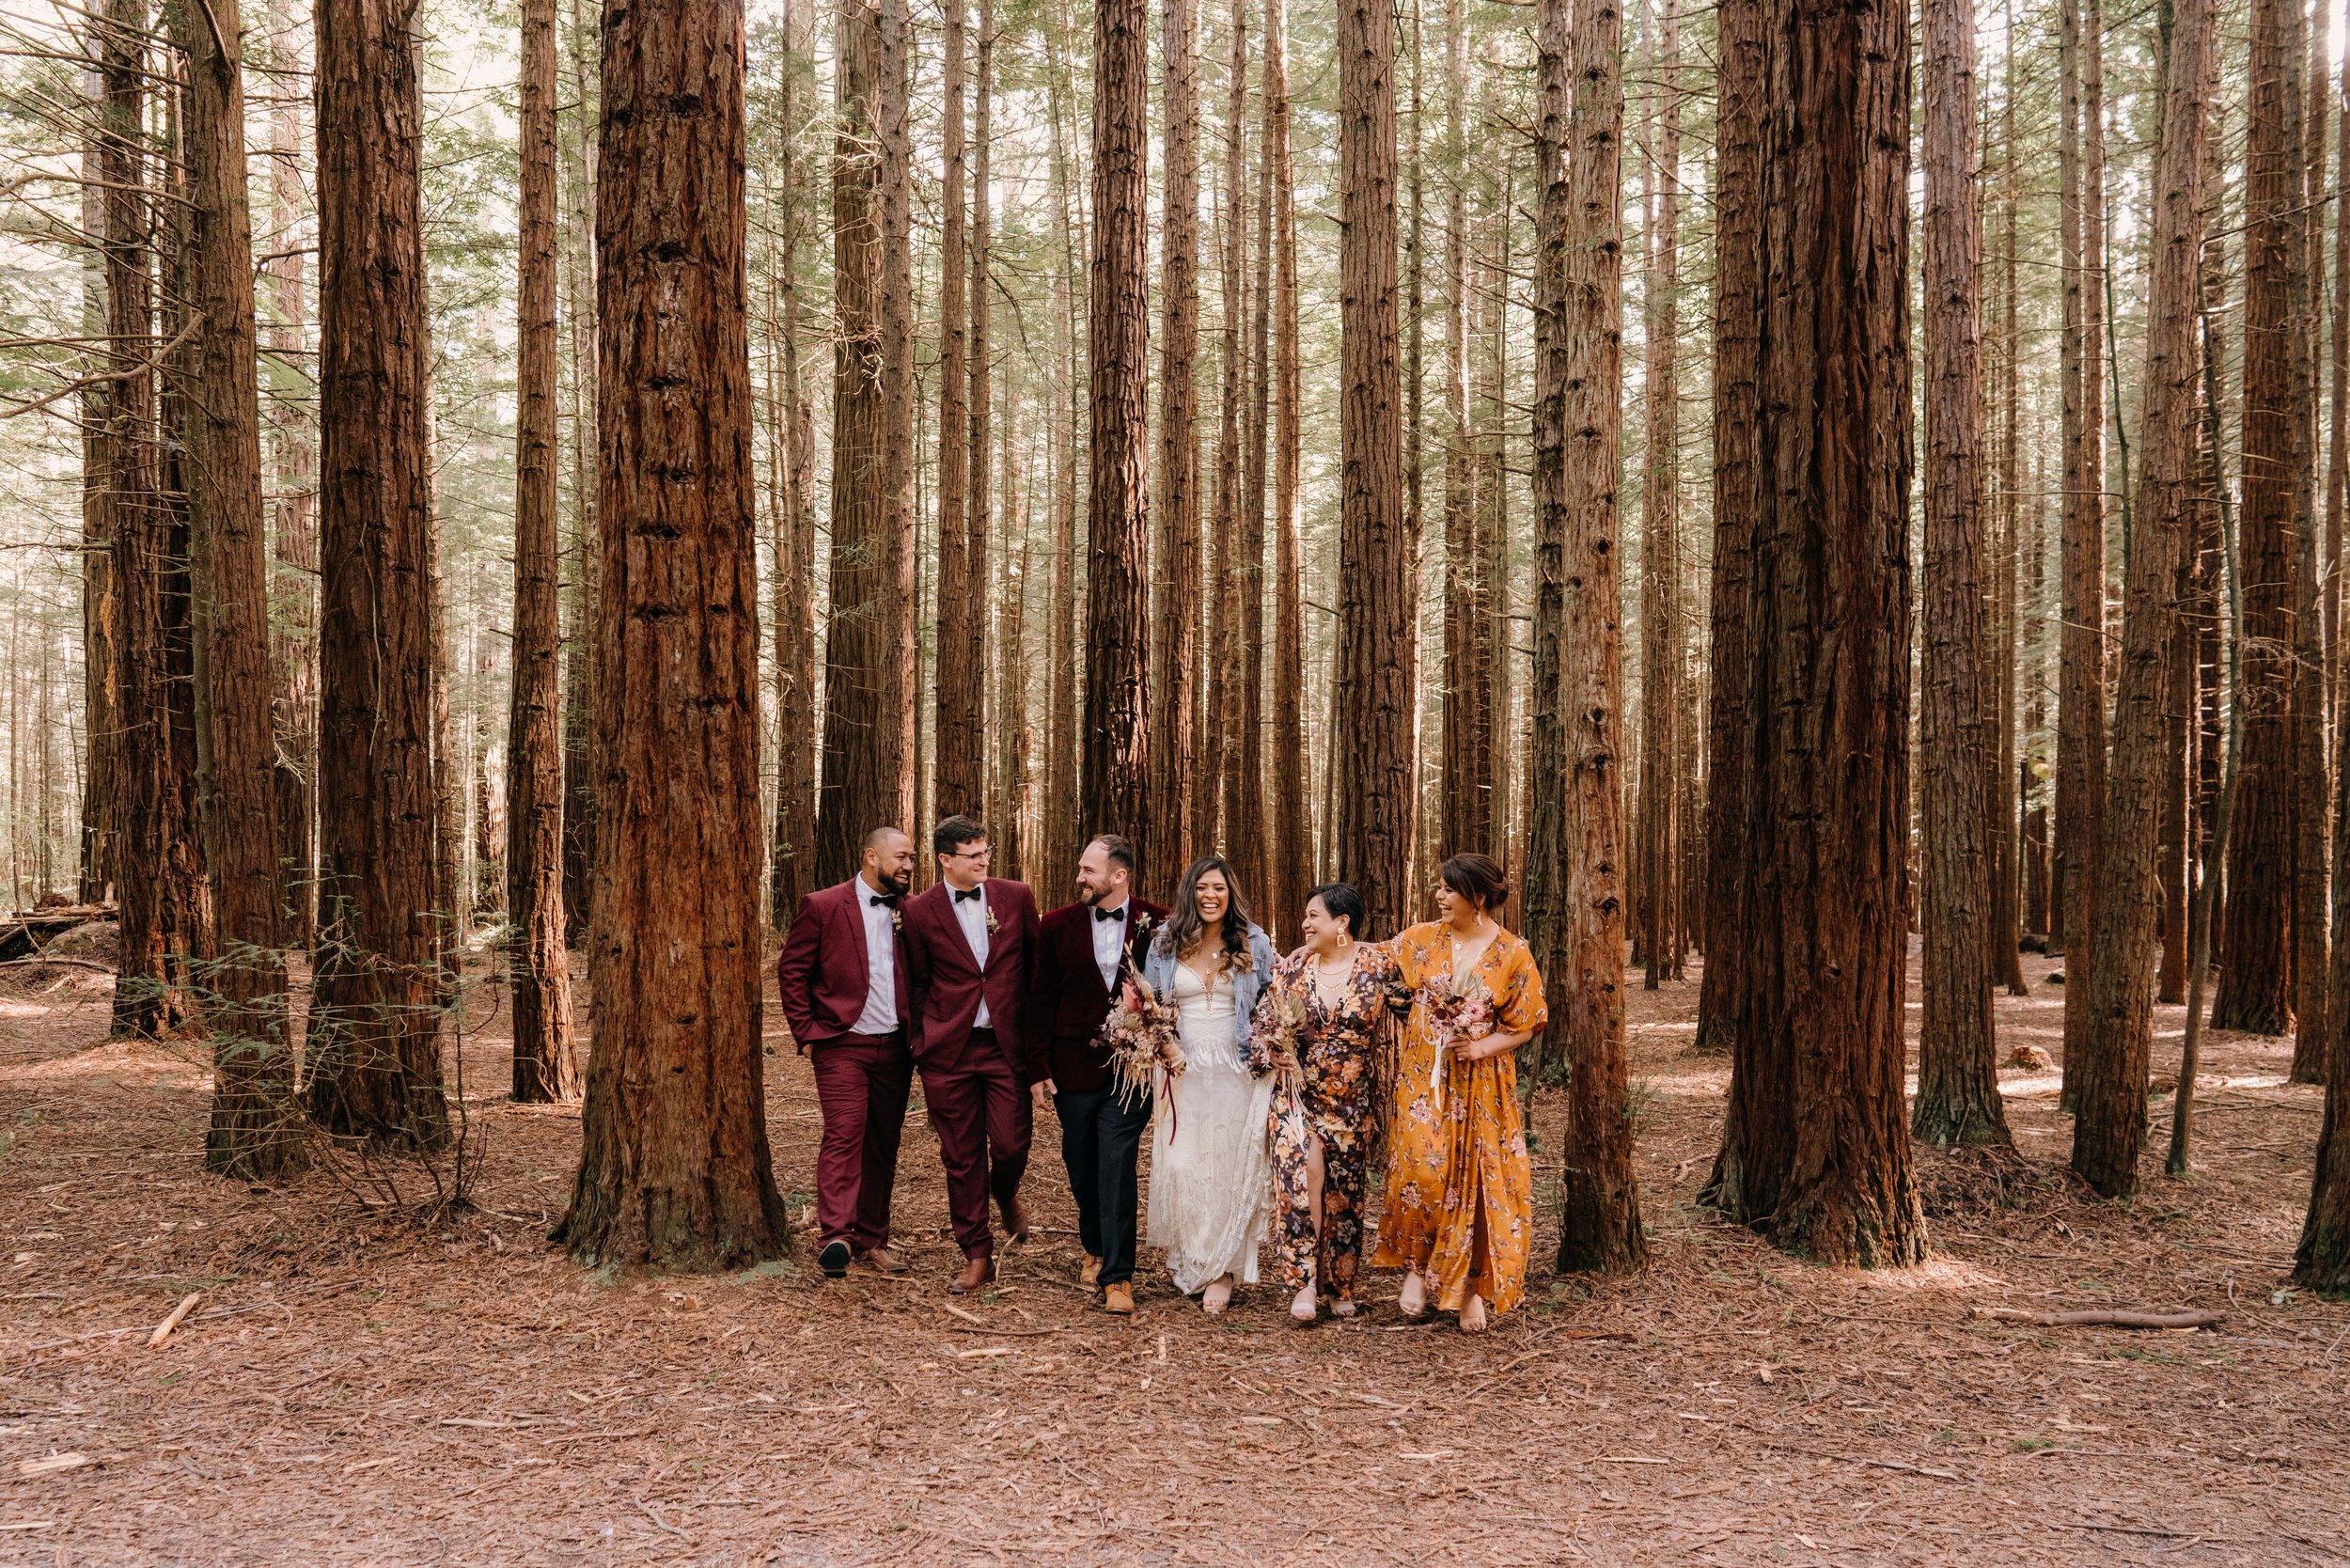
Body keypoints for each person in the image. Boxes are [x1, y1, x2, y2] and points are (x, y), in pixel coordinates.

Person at [1371, 852, 1548, 1333]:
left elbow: (1529, 1022)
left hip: (1483, 1084)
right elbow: (1372, 962)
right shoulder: (1421, 940)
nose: (1439, 896)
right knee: (1420, 1171)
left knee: (1477, 1179)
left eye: (1448, 889)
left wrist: (1482, 1044)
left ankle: (1468, 1288)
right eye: (1439, 888)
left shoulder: (1512, 952)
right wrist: (1316, 948)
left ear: (1478, 896)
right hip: (1423, 1078)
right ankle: (1415, 1269)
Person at [901, 815, 1041, 1294]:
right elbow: (917, 980)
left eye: (986, 852)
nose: (984, 861)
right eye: (973, 855)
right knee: (960, 1157)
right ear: (945, 859)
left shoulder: (1016, 897)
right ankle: (977, 1253)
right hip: (949, 1051)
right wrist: (923, 1040)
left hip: (1006, 1047)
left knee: (1009, 1144)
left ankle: (1005, 1189)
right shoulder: (919, 911)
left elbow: (1034, 970)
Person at [1027, 835, 1167, 1315]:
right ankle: (1093, 1243)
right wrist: (1038, 1069)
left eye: (1089, 869)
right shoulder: (1055, 926)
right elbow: (1039, 999)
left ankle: (1118, 1276)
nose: (1080, 877)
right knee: (1081, 1163)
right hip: (1073, 1070)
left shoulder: (1159, 923)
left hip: (1132, 1072)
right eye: (1081, 868)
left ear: (1119, 875)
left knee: (1116, 1163)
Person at [776, 827, 918, 1279]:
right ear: (871, 856)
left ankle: (873, 1239)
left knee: (883, 1142)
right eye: (901, 857)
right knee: (844, 1133)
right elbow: (793, 970)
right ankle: (835, 1235)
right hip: (842, 1044)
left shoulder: (912, 912)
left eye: (912, 858)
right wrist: (807, 1031)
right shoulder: (822, 906)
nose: (909, 866)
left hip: (896, 1047)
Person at [1138, 855, 1277, 1315]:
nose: (1210, 896)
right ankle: (1192, 1257)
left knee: (1227, 1167)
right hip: (1181, 1069)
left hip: (1236, 1067)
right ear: (1189, 894)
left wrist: (1269, 1049)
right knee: (1183, 1166)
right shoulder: (1163, 942)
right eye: (1201, 888)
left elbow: (1271, 1004)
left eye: (1218, 887)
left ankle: (1222, 1270)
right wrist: (1160, 1045)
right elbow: (1151, 1009)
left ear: (1230, 892)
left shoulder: (1254, 941)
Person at [1245, 883, 1388, 1323]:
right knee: (1302, 1177)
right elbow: (1259, 1029)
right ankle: (1304, 1282)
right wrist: (1269, 1051)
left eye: (1314, 916)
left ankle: (1339, 1284)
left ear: (1341, 923)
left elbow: (1415, 1008)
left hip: (1350, 1099)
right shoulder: (1290, 972)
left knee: (1345, 1195)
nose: (1304, 924)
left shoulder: (1378, 968)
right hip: (1296, 1094)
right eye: (1305, 917)